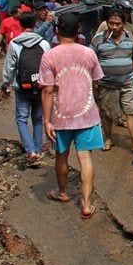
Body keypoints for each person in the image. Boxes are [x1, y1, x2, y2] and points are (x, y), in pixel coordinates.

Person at [39, 13, 104, 219]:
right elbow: (96, 83)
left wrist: (46, 120)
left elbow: (47, 91)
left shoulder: (49, 56)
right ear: (78, 32)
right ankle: (86, 204)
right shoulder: (89, 53)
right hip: (87, 114)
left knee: (62, 155)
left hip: (61, 115)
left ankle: (63, 192)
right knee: (85, 158)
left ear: (56, 31)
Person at [89, 9, 133, 155]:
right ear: (106, 23)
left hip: (128, 83)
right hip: (106, 85)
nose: (114, 27)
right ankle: (108, 138)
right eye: (111, 23)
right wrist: (94, 83)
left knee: (131, 112)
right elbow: (91, 61)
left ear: (124, 25)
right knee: (107, 113)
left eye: (118, 24)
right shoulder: (98, 39)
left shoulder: (130, 39)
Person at [0, 12, 51, 163]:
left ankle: (31, 151)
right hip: (41, 86)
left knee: (21, 119)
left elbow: (9, 68)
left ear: (20, 25)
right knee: (37, 118)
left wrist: (5, 85)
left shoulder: (15, 44)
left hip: (22, 87)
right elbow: (48, 67)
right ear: (36, 24)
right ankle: (37, 147)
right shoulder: (44, 43)